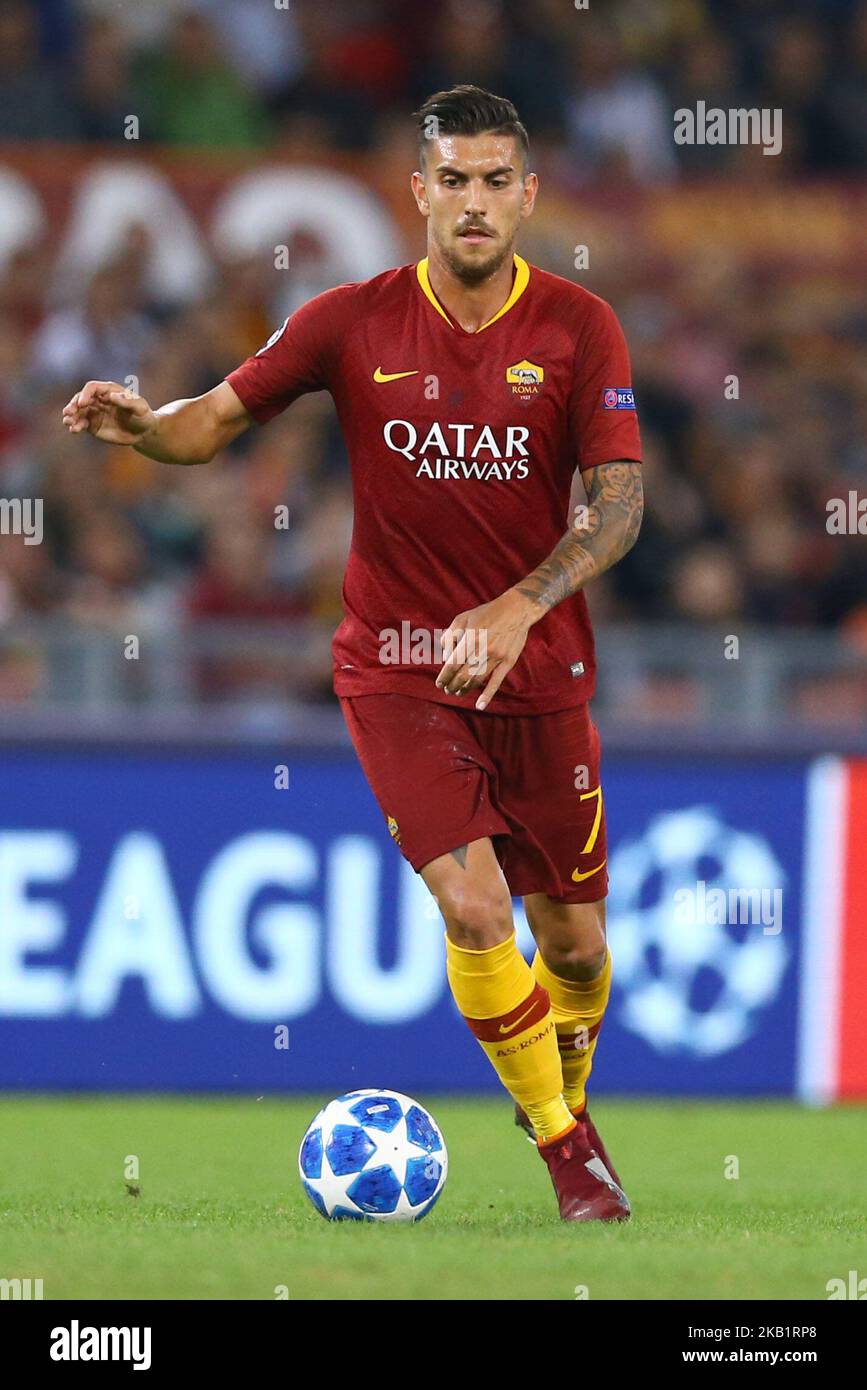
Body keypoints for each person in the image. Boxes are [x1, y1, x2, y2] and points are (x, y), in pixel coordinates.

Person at [63, 85, 643, 1222]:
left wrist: (524, 605)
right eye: (452, 181)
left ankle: (562, 1100)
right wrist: (147, 425)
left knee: (574, 945)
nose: (473, 203)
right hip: (398, 667)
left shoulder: (579, 326)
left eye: (495, 182)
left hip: (540, 670)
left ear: (527, 195)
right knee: (478, 913)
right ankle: (571, 1159)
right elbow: (215, 419)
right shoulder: (349, 319)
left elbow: (618, 508)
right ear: (417, 190)